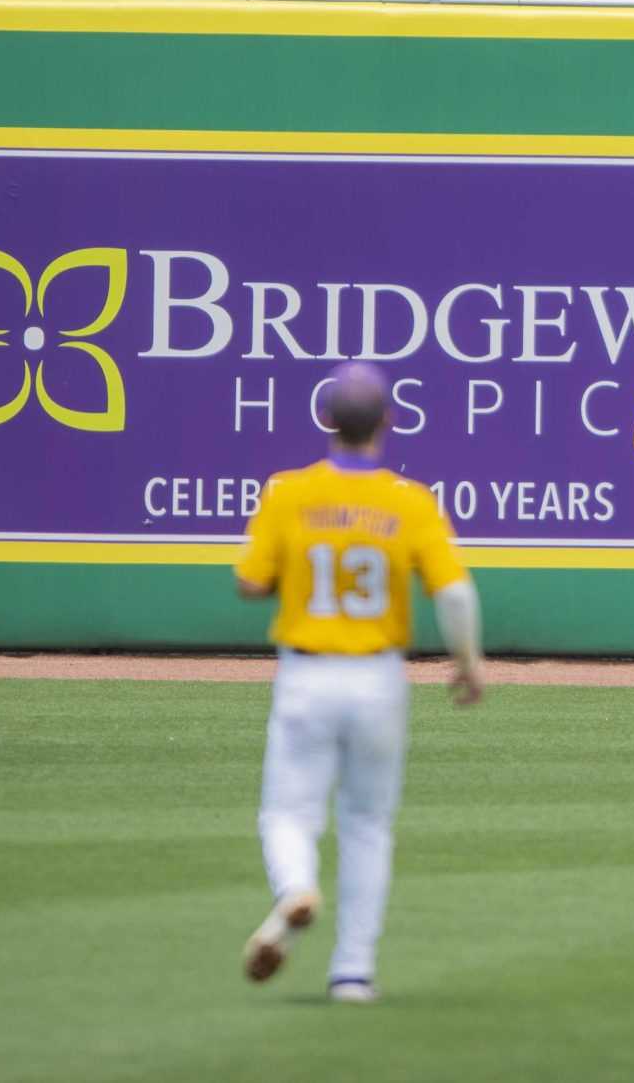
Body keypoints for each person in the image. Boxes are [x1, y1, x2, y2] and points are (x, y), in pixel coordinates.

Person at [236, 362, 485, 1006]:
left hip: (307, 672)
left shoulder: (288, 491)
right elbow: (454, 592)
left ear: (327, 422)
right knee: (368, 823)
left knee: (287, 812)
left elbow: (250, 582)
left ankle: (295, 888)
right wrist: (467, 662)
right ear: (387, 422)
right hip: (377, 678)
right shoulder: (408, 500)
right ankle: (353, 972)